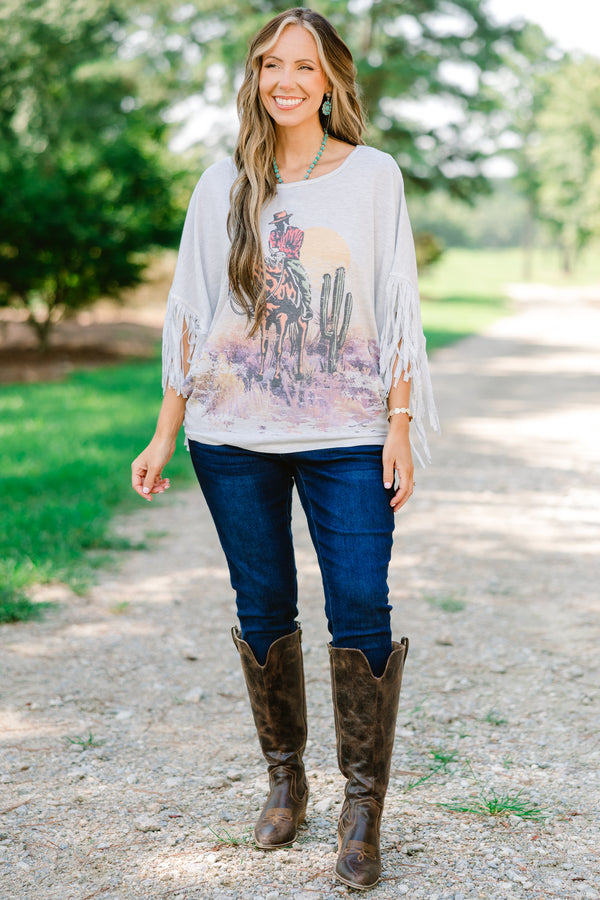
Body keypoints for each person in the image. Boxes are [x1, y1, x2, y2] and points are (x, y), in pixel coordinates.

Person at [131, 7, 439, 891]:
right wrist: (164, 431)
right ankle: (285, 779)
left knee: (361, 606)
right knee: (263, 604)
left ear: (332, 79)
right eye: (271, 65)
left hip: (347, 435)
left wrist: (401, 425)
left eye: (303, 66)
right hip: (231, 435)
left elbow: (396, 305)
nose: (286, 81)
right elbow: (190, 313)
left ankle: (363, 805)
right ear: (256, 80)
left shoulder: (373, 177)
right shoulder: (222, 179)